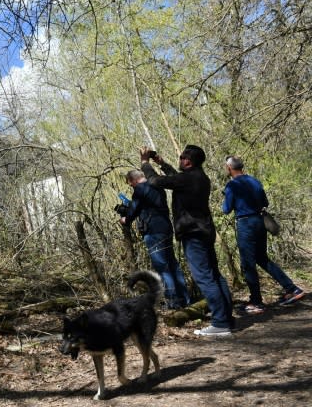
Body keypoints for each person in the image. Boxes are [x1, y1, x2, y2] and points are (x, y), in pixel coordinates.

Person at [140, 144, 235, 337]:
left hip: (193, 234)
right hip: (204, 231)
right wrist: (163, 163)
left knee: (204, 277)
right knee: (215, 275)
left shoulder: (188, 178)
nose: (180, 159)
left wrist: (145, 163)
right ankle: (226, 319)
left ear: (189, 161)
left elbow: (155, 182)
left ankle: (221, 323)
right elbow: (176, 180)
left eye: (183, 157)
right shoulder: (199, 177)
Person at [222, 155, 304, 313]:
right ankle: (292, 289)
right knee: (262, 258)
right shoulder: (254, 181)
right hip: (260, 222)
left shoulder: (232, 185)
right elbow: (264, 203)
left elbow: (226, 210)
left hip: (245, 224)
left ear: (229, 168)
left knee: (247, 264)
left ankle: (256, 302)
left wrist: (227, 197)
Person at [120, 169, 190, 309]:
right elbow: (146, 207)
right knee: (172, 264)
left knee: (163, 268)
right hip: (166, 228)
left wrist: (125, 219)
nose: (131, 186)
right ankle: (185, 299)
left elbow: (133, 210)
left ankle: (173, 302)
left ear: (134, 180)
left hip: (153, 231)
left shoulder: (140, 189)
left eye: (130, 184)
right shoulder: (157, 186)